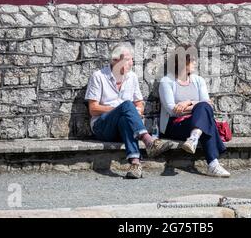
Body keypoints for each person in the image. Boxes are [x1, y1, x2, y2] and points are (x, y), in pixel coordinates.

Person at [85, 42, 172, 179]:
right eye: (127, 59)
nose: (131, 63)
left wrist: (137, 111)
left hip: (123, 126)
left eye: (132, 59)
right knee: (126, 106)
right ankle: (149, 141)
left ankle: (135, 164)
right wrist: (120, 109)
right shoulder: (99, 76)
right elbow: (93, 109)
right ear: (115, 60)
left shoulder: (131, 77)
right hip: (102, 126)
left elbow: (139, 104)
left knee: (126, 118)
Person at [159, 45, 230, 177]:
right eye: (192, 60)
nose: (195, 63)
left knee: (204, 110)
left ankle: (194, 137)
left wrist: (188, 102)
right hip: (175, 125)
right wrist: (197, 107)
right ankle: (213, 164)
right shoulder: (166, 81)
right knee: (206, 118)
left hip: (193, 123)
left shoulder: (198, 80)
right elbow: (172, 110)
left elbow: (207, 104)